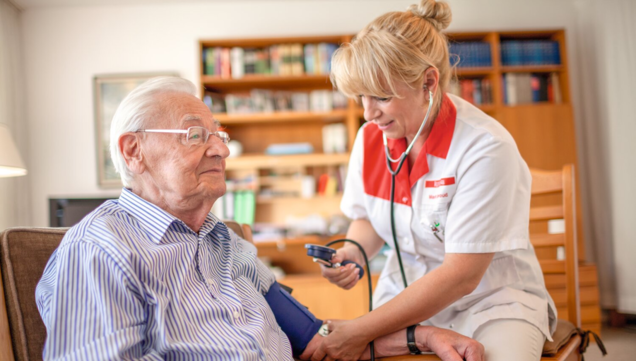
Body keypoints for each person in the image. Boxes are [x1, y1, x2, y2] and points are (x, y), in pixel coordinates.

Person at [35, 76, 484, 360]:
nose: (221, 149)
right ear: (134, 151)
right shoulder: (99, 250)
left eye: (219, 135)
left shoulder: (224, 242)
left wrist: (419, 337)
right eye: (196, 135)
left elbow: (316, 340)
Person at [314, 1, 557, 361]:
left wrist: (361, 330)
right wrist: (354, 252)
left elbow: (461, 276)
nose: (368, 113)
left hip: (489, 305)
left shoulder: (484, 147)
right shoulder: (370, 140)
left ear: (428, 81)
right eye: (361, 96)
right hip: (403, 299)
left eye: (381, 96)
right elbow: (366, 217)